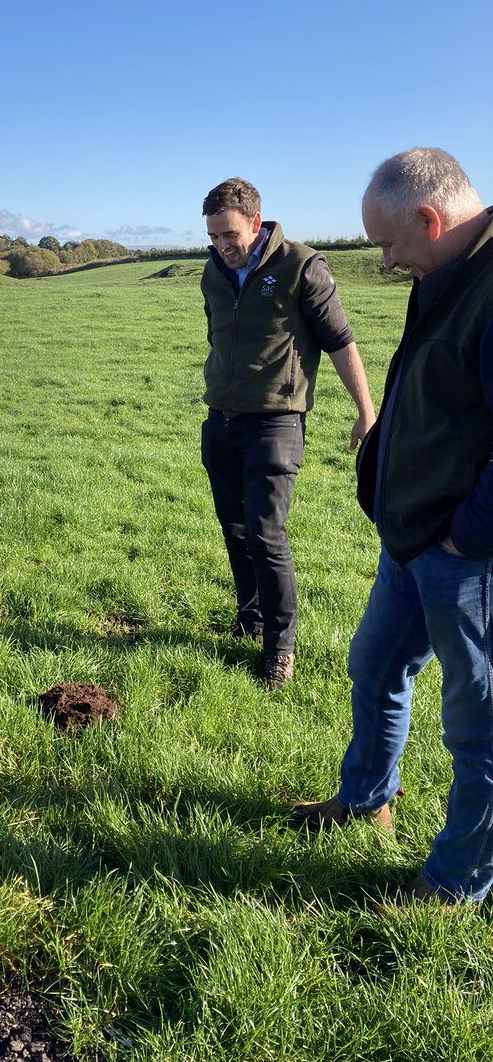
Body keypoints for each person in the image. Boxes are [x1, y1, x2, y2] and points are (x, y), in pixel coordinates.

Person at [293, 148, 493, 905]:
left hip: (466, 553)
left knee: (478, 726)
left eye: (387, 244)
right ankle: (366, 798)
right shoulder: (447, 272)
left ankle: (457, 881)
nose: (384, 260)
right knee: (376, 666)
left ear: (430, 219)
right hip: (411, 537)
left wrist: (466, 534)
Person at [200, 178, 375, 689]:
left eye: (229, 235)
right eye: (213, 237)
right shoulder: (212, 272)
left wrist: (366, 412)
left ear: (256, 222)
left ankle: (280, 649)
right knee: (234, 529)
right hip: (221, 421)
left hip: (276, 423)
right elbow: (217, 333)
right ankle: (251, 619)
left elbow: (340, 340)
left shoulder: (301, 266)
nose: (221, 246)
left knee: (265, 533)